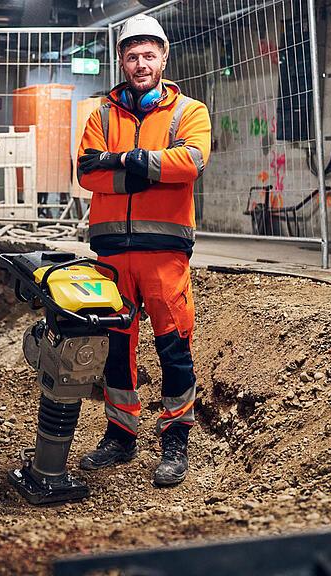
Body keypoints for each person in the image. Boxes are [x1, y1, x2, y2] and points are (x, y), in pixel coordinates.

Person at [76, 13, 211, 487]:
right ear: (120, 59)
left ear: (163, 57)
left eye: (148, 55)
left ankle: (175, 442)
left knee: (174, 349)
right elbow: (87, 173)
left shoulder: (188, 112)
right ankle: (120, 435)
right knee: (116, 350)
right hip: (112, 253)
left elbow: (190, 162)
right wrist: (150, 169)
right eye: (131, 55)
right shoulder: (101, 114)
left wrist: (128, 162)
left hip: (165, 253)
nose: (140, 63)